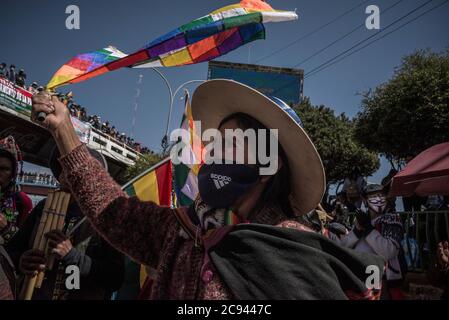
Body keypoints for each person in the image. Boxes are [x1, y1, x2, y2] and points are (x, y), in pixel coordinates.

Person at [31, 80, 385, 300]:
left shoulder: (295, 251)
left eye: (234, 143)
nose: (214, 153)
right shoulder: (181, 232)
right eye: (214, 143)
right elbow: (113, 212)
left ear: (269, 165)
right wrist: (65, 134)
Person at [6, 146, 125, 300]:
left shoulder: (107, 217)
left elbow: (116, 278)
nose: (66, 175)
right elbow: (11, 252)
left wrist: (73, 256)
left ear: (92, 177)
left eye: (75, 169)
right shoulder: (43, 207)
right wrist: (21, 260)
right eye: (63, 168)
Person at [335, 183, 405, 299]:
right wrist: (357, 231)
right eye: (373, 196)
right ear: (365, 200)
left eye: (381, 195)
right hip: (360, 279)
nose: (378, 199)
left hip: (382, 282)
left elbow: (389, 251)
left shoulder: (392, 218)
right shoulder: (361, 221)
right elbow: (343, 247)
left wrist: (368, 229)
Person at [0, 136, 33, 245]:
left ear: (13, 173)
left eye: (5, 169)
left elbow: (23, 244)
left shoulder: (22, 201)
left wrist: (6, 228)